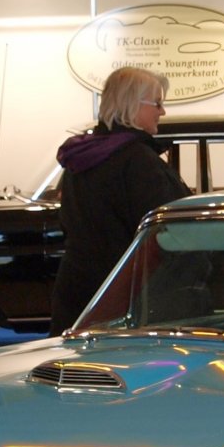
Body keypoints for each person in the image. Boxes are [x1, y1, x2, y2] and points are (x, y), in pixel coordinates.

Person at [49, 66, 190, 334]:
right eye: (157, 103)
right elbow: (166, 232)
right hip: (126, 296)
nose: (162, 112)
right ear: (132, 105)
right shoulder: (139, 161)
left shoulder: (80, 158)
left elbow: (68, 221)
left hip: (77, 291)